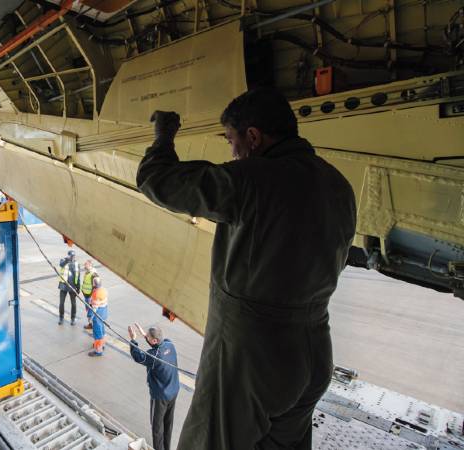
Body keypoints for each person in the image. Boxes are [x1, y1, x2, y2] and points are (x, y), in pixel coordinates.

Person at [136, 88, 356, 449]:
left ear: (253, 137)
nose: (233, 153)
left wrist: (164, 135)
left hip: (252, 361)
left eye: (231, 141)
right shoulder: (338, 185)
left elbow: (156, 179)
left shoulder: (254, 178)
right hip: (314, 353)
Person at [128, 324, 179, 450]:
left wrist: (133, 339)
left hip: (160, 397)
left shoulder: (154, 356)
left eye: (149, 338)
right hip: (174, 391)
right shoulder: (170, 345)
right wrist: (146, 337)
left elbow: (138, 357)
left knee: (157, 428)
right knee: (168, 424)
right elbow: (158, 346)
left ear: (155, 340)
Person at [58, 250, 81, 325]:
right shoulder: (63, 260)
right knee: (61, 303)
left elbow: (78, 276)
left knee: (73, 304)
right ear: (68, 255)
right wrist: (67, 260)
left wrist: (78, 288)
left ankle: (73, 318)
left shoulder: (77, 264)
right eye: (71, 256)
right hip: (64, 285)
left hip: (72, 286)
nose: (72, 257)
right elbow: (61, 265)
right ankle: (61, 317)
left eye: (73, 256)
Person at [87, 281, 108, 357]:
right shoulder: (104, 290)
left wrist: (90, 318)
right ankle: (102, 345)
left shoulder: (96, 294)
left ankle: (98, 351)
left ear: (94, 284)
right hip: (103, 313)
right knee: (102, 331)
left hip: (97, 316)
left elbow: (94, 308)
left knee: (97, 334)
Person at [81, 260, 99, 330]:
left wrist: (93, 295)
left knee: (90, 311)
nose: (84, 266)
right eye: (84, 264)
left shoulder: (93, 273)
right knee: (88, 310)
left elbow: (97, 284)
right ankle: (91, 324)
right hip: (86, 294)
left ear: (90, 265)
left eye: (86, 265)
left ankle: (91, 324)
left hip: (90, 295)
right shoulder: (87, 272)